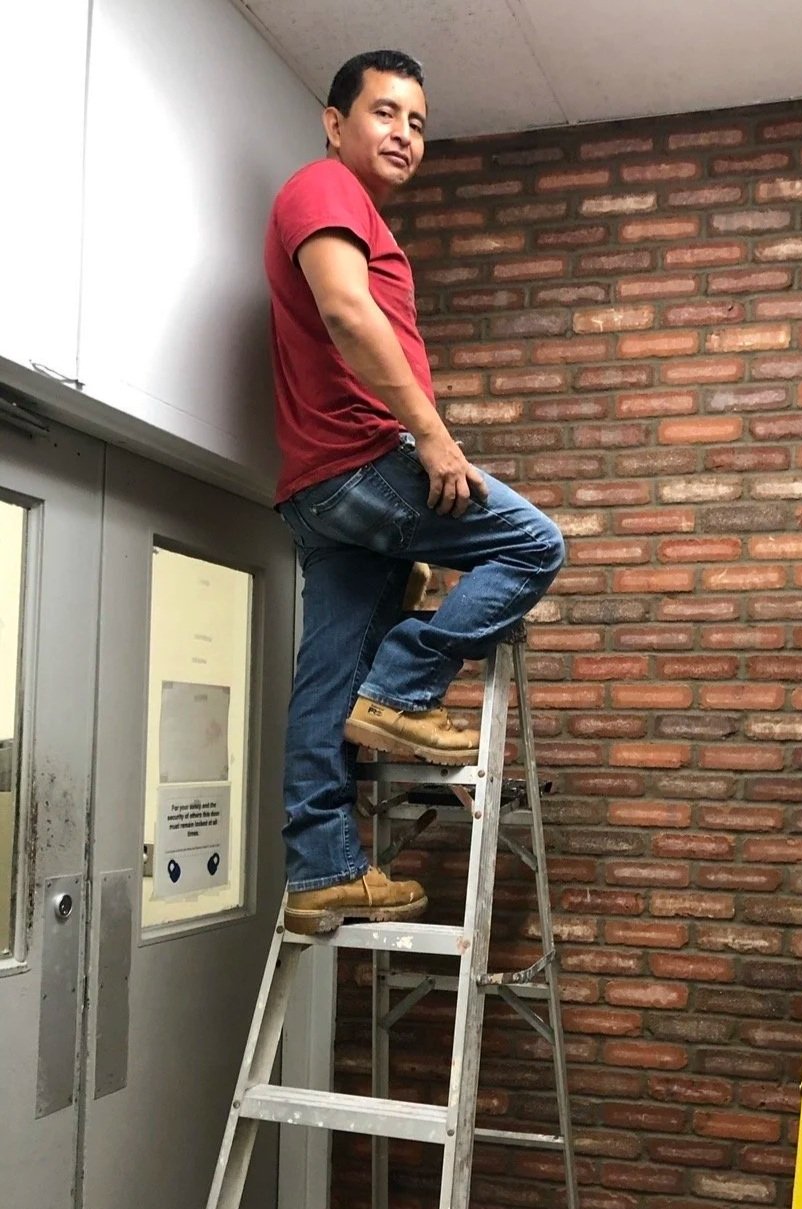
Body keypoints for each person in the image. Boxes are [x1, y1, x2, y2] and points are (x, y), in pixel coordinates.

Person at [264, 49, 565, 935]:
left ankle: (322, 870)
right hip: (363, 457)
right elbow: (346, 313)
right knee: (534, 544)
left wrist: (406, 543)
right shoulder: (324, 188)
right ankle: (401, 691)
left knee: (326, 680)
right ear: (335, 123)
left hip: (320, 486)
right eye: (385, 113)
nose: (404, 134)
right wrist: (433, 438)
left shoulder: (349, 207)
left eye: (419, 123)